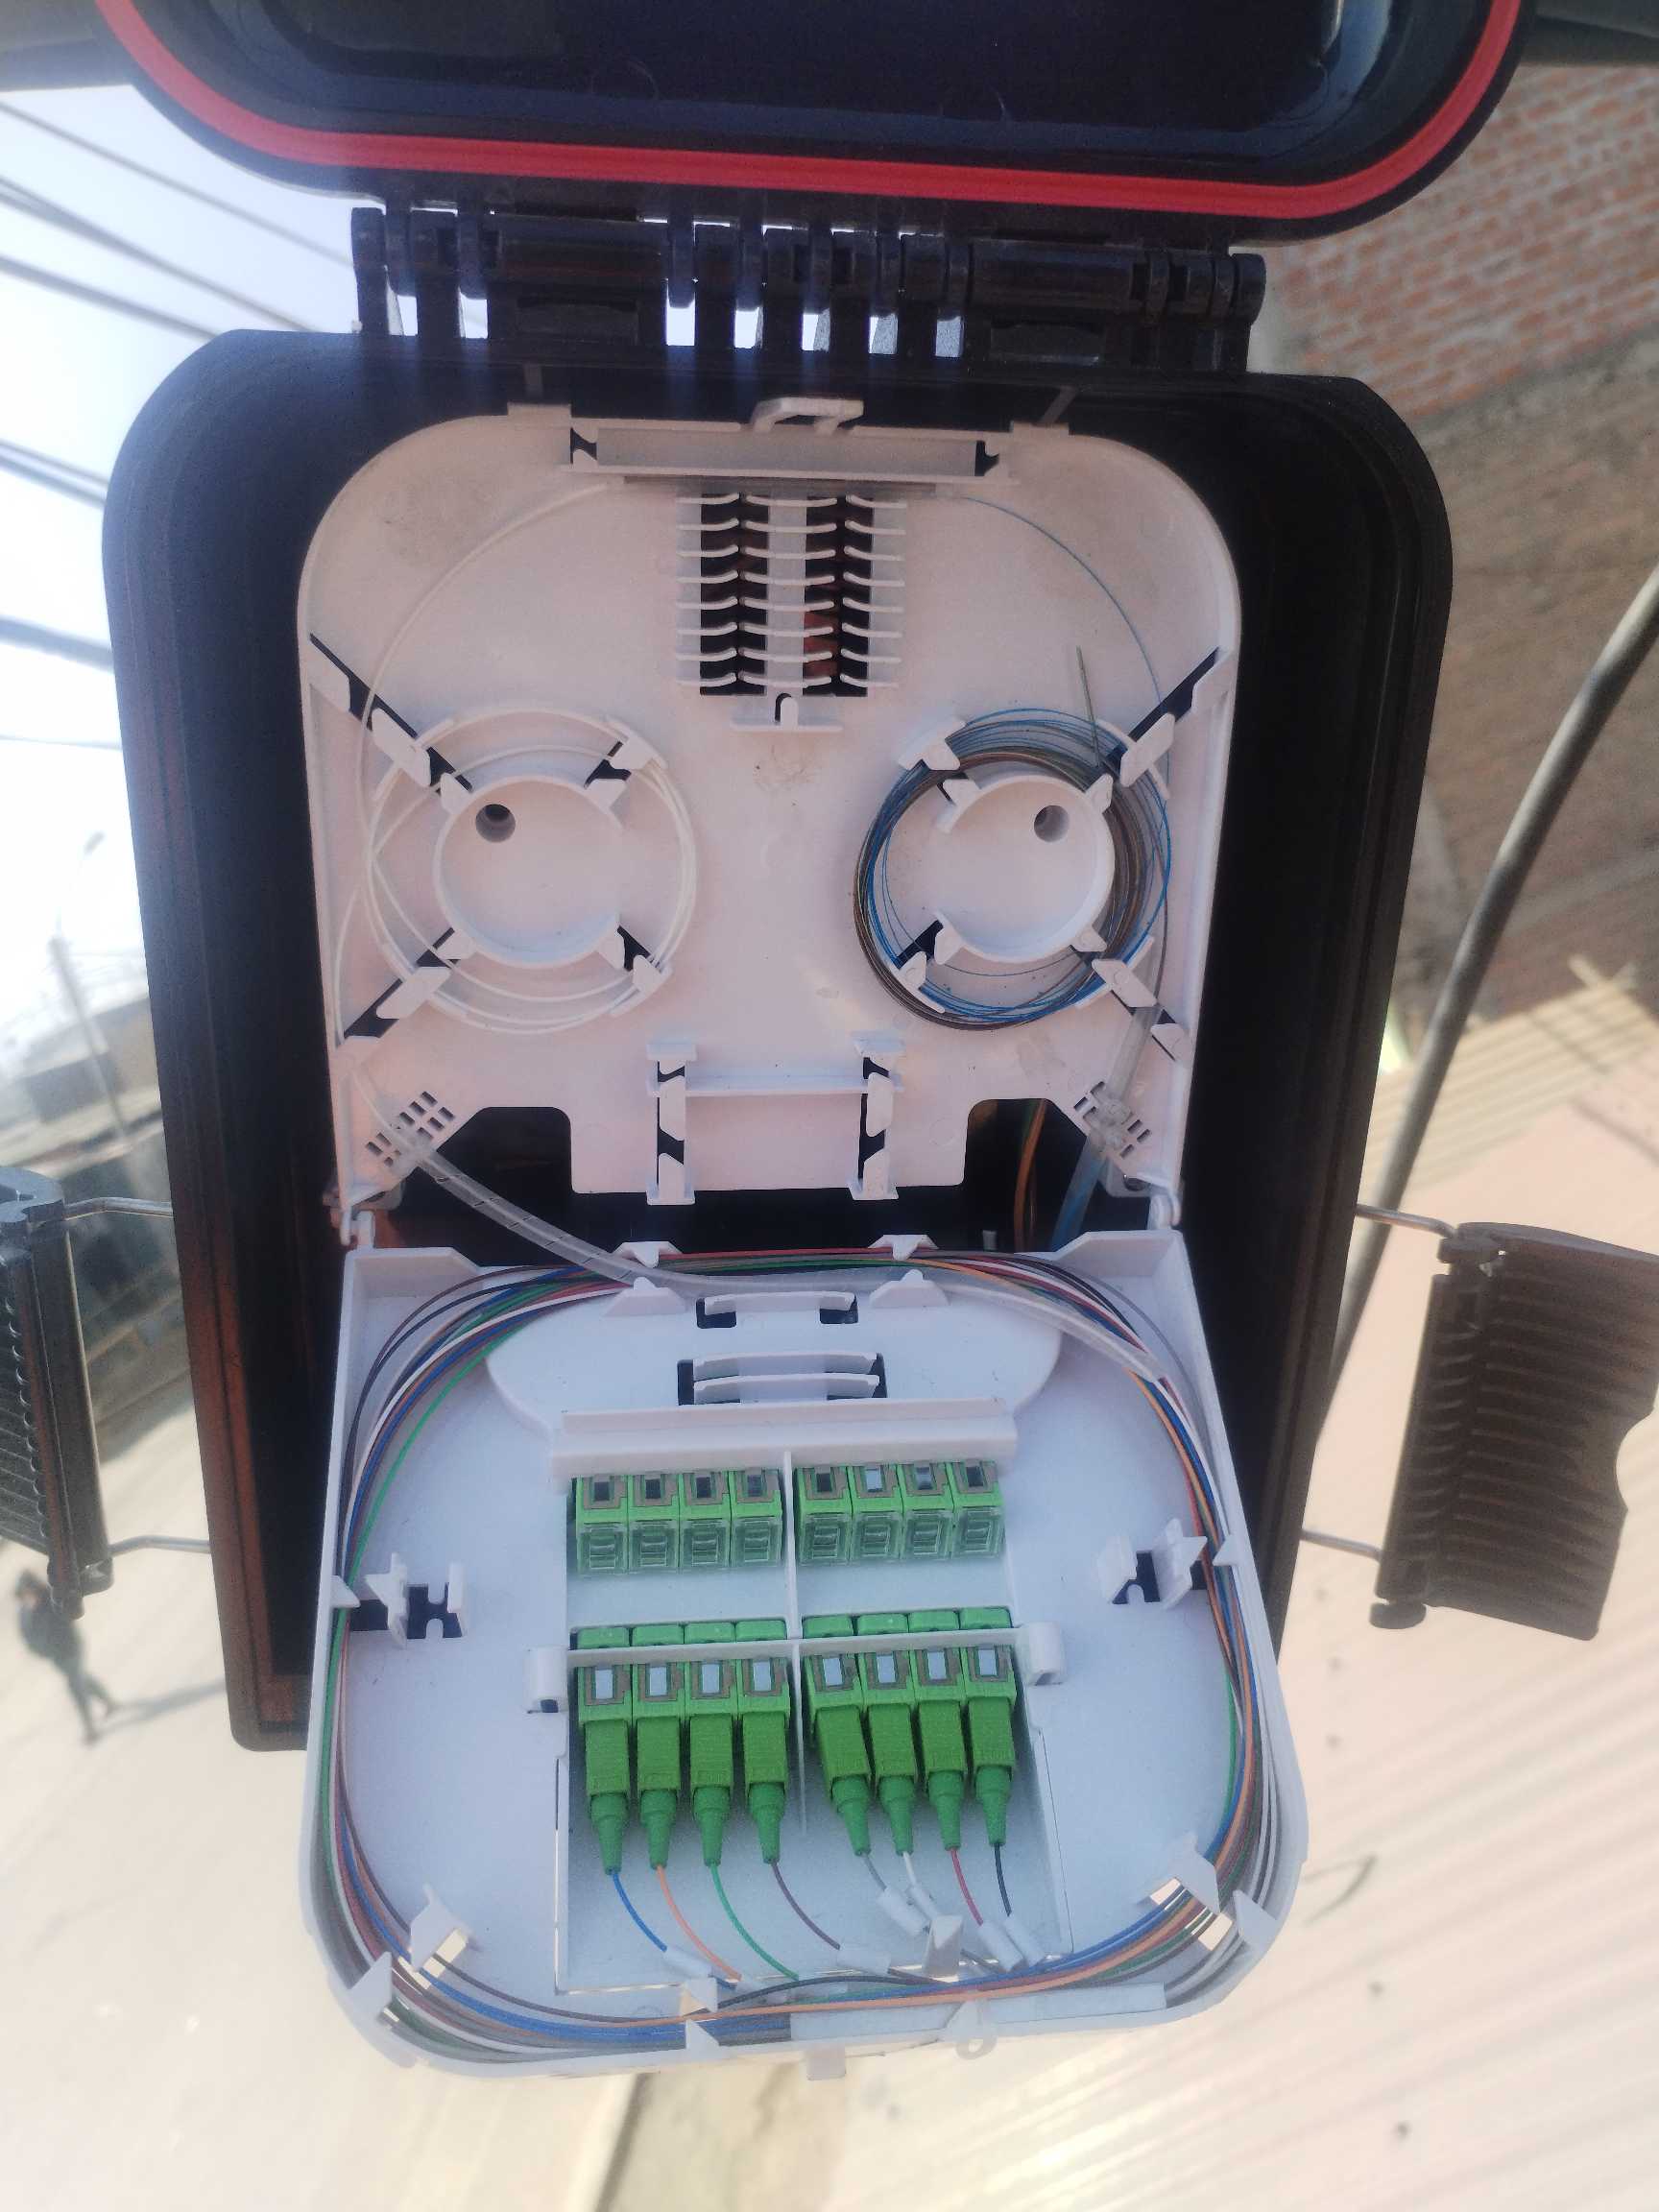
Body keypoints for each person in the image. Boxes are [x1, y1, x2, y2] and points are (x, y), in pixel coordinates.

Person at [13, 1570, 117, 1744]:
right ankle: (108, 1701)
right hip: (55, 1657)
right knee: (82, 1679)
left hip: (70, 1648)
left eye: (30, 1590)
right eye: (25, 1592)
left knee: (75, 1686)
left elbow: (66, 1621)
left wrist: (56, 1642)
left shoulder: (51, 1599)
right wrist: (43, 1652)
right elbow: (27, 1638)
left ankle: (89, 1727)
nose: (29, 1594)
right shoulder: (24, 1613)